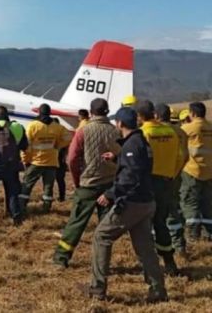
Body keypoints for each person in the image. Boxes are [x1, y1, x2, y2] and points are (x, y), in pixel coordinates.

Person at [89, 107, 167, 303]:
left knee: (101, 236)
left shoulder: (132, 145)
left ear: (120, 124)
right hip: (147, 202)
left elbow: (131, 176)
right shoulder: (141, 142)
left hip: (132, 202)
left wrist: (110, 194)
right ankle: (158, 290)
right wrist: (117, 158)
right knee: (145, 248)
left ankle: (97, 289)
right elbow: (139, 167)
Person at [53, 98, 121, 268]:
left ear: (91, 113)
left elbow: (72, 158)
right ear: (107, 111)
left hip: (88, 183)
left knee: (76, 222)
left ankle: (62, 258)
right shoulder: (116, 131)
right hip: (110, 184)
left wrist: (77, 180)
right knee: (106, 227)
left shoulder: (83, 131)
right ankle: (102, 262)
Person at [138, 100, 182, 275]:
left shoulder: (143, 133)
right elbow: (179, 157)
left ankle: (149, 265)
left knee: (144, 225)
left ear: (140, 116)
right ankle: (170, 262)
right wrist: (171, 174)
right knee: (161, 222)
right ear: (154, 114)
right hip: (166, 181)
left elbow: (139, 162)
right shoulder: (170, 132)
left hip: (148, 183)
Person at [20, 104, 71, 214]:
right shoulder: (57, 127)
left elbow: (26, 145)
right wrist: (58, 146)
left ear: (39, 112)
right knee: (48, 187)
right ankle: (46, 208)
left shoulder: (33, 126)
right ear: (50, 113)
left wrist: (25, 160)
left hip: (36, 162)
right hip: (51, 162)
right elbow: (68, 137)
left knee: (27, 185)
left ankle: (21, 207)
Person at [155, 103, 189, 256]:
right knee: (174, 210)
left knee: (156, 213)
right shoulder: (181, 132)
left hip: (157, 177)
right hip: (174, 176)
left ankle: (158, 245)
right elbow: (185, 156)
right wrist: (176, 172)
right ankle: (179, 245)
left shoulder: (155, 132)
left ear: (156, 115)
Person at [180, 102, 212, 242]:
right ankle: (208, 234)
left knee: (190, 202)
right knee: (207, 204)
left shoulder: (188, 128)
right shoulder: (210, 127)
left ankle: (193, 236)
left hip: (192, 170)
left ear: (192, 114)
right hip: (209, 171)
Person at [53, 118, 68, 202]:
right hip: (58, 160)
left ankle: (61, 196)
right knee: (59, 180)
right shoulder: (63, 132)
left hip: (57, 160)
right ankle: (61, 196)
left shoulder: (56, 132)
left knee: (59, 179)